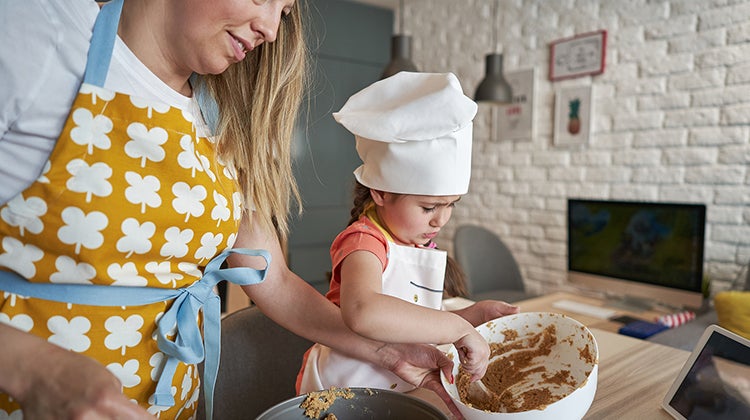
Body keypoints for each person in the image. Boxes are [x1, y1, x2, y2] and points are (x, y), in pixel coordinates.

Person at [0, 1, 488, 419]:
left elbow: (272, 281)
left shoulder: (219, 112)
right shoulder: (39, 32)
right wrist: (34, 368)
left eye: (284, 10)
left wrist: (384, 350)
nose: (271, 29)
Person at [297, 72, 521, 394]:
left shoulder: (416, 239)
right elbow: (364, 311)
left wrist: (471, 315)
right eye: (429, 208)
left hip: (396, 385)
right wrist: (455, 327)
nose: (440, 221)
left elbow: (412, 312)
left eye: (451, 206)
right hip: (342, 389)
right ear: (381, 193)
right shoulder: (364, 243)